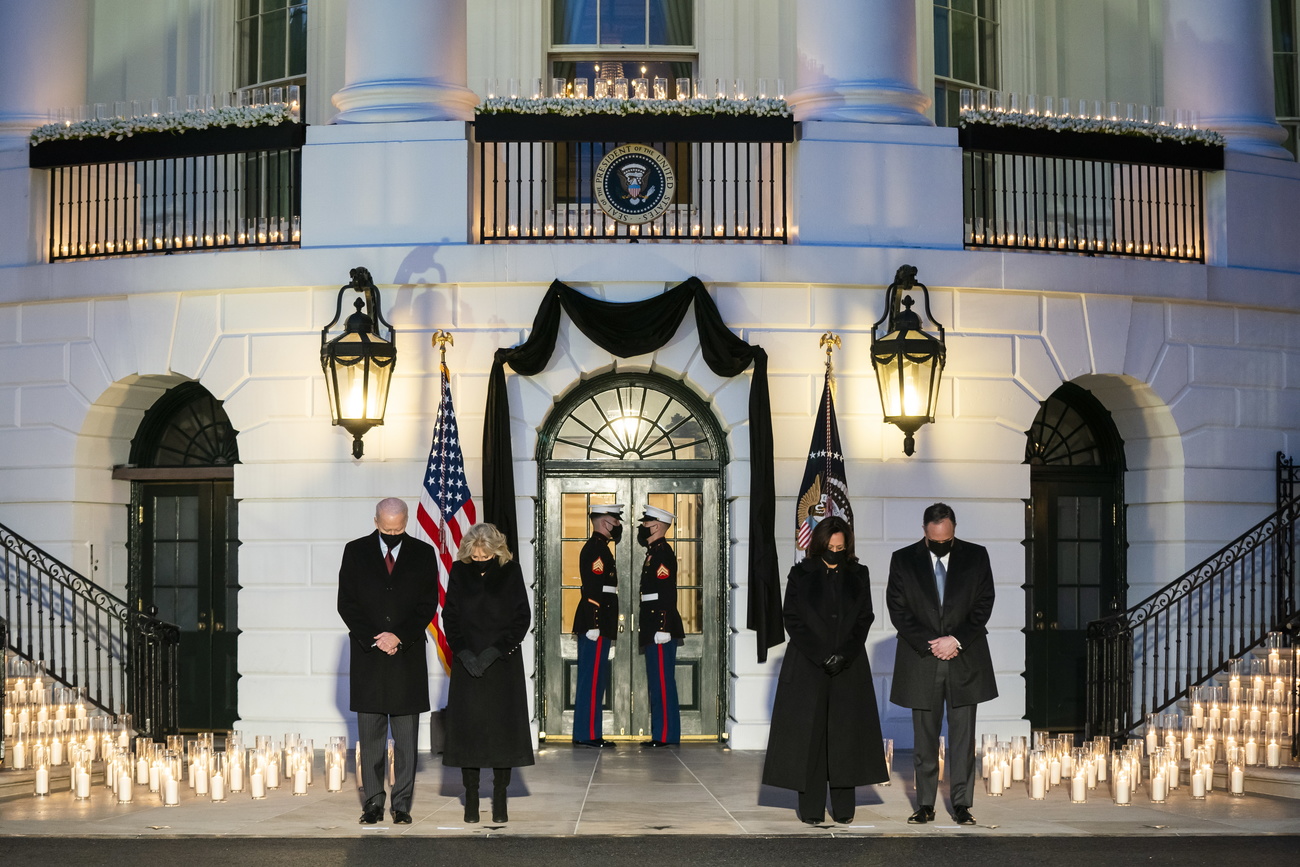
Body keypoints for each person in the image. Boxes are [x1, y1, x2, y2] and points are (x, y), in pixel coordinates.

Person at [762, 516, 888, 824]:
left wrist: (843, 655)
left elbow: (865, 618)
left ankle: (844, 809)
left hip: (849, 667)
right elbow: (791, 618)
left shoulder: (859, 574)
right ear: (819, 545)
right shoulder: (801, 573)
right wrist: (822, 655)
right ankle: (811, 809)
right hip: (808, 665)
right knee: (811, 738)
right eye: (830, 547)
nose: (835, 551)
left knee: (845, 737)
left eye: (840, 547)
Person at [886, 502, 997, 827]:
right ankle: (925, 805)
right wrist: (931, 643)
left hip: (965, 658)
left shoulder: (976, 556)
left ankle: (961, 805)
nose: (941, 544)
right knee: (924, 738)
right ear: (924, 532)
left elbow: (983, 602)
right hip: (922, 660)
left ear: (954, 531)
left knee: (963, 739)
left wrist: (956, 639)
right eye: (935, 540)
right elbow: (897, 608)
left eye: (946, 539)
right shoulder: (903, 559)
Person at [336, 497, 440, 825]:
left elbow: (428, 604)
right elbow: (346, 603)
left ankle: (402, 804)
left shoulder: (424, 554)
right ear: (376, 520)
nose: (392, 533)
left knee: (407, 740)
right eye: (385, 528)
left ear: (406, 522)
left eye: (398, 528)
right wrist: (376, 637)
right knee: (370, 740)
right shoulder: (355, 551)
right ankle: (372, 803)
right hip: (369, 658)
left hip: (406, 657)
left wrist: (399, 636)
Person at [441, 523, 535, 824]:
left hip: (502, 664)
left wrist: (495, 652)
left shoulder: (511, 571)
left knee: (501, 735)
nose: (480, 560)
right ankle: (470, 798)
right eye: (476, 556)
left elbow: (522, 617)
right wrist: (465, 654)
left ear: (496, 551)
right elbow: (450, 617)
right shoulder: (458, 572)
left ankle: (500, 798)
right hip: (467, 663)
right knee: (469, 734)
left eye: (485, 556)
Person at [572, 503, 623, 747]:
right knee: (591, 680)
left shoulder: (600, 547)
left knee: (594, 679)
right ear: (605, 523)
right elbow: (592, 588)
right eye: (616, 521)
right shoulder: (596, 549)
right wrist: (594, 623)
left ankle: (588, 732)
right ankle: (588, 734)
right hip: (596, 623)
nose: (619, 526)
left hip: (601, 621)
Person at [636, 504, 685, 747]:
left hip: (660, 626)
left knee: (663, 683)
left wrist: (663, 627)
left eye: (645, 523)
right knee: (657, 682)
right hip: (653, 625)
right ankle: (661, 734)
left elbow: (666, 593)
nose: (642, 527)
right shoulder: (654, 552)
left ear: (655, 525)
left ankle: (666, 736)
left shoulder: (663, 552)